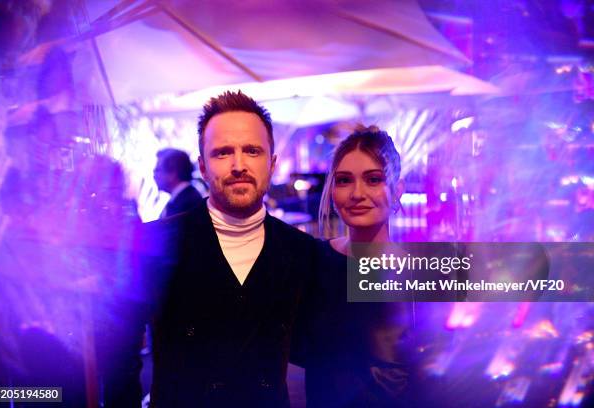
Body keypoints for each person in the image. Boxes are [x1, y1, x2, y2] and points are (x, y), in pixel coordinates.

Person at [141, 91, 317, 407]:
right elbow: (116, 355)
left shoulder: (304, 252)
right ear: (203, 167)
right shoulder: (153, 243)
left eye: (252, 151)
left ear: (272, 163)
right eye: (223, 153)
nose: (239, 165)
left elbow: (341, 341)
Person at [296, 125, 415, 407]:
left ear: (397, 189)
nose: (357, 193)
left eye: (374, 179)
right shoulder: (314, 260)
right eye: (344, 180)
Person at [153, 148, 203, 218]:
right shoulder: (184, 198)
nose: (154, 175)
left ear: (172, 174)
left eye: (157, 170)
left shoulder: (186, 204)